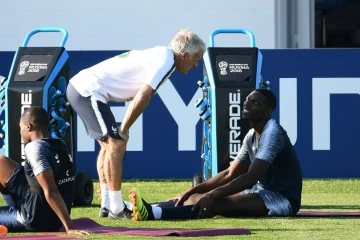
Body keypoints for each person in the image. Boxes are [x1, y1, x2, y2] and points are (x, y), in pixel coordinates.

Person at [66, 28, 206, 220]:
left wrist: (122, 130)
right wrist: (124, 128)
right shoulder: (167, 61)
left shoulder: (162, 55)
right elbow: (143, 95)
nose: (196, 65)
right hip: (87, 90)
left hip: (82, 88)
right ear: (183, 55)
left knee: (108, 146)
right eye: (196, 59)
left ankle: (107, 205)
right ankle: (116, 208)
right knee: (116, 144)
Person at [129, 88, 303, 221]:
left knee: (216, 203)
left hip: (282, 199)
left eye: (255, 103)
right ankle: (137, 208)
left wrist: (212, 194)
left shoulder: (273, 132)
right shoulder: (251, 135)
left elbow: (250, 177)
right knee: (197, 197)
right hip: (259, 192)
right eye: (248, 99)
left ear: (268, 112)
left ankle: (154, 214)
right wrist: (191, 190)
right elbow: (229, 173)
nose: (247, 103)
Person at [0, 106, 91, 235]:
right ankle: (13, 208)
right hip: (45, 210)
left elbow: (52, 191)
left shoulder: (34, 148)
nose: (20, 133)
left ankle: (17, 212)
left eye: (20, 128)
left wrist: (69, 227)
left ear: (28, 127)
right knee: (1, 162)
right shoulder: (60, 144)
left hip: (35, 218)